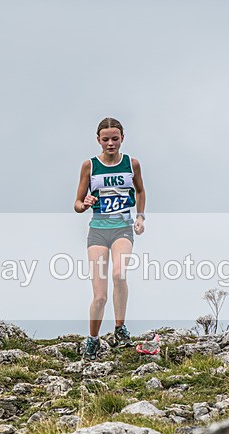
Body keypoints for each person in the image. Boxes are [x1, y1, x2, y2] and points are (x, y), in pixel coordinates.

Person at [74, 117, 145, 359]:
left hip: (122, 228)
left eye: (115, 139)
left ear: (122, 138)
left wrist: (141, 217)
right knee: (100, 295)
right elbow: (77, 203)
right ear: (98, 140)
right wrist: (85, 203)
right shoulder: (90, 166)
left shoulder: (131, 164)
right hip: (97, 230)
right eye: (106, 139)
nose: (111, 143)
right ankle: (92, 340)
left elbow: (140, 190)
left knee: (119, 273)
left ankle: (119, 328)